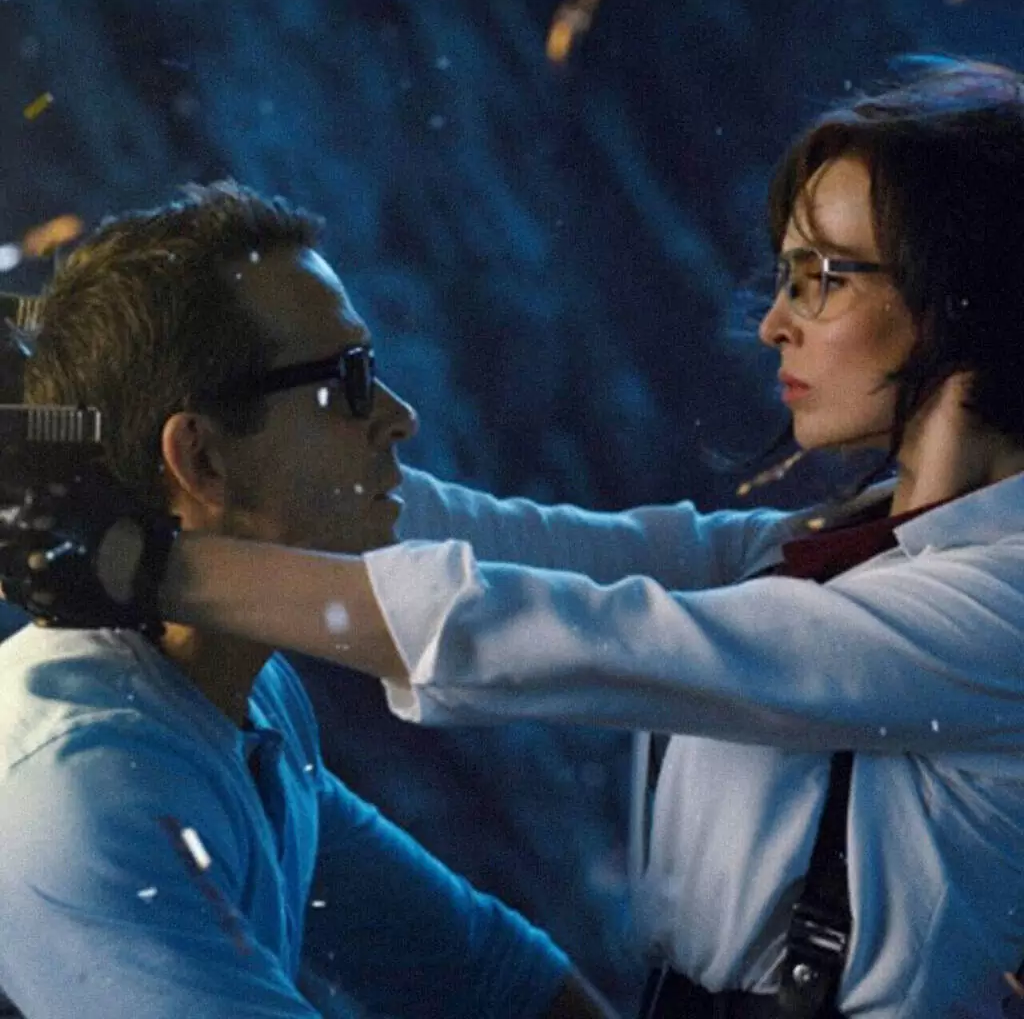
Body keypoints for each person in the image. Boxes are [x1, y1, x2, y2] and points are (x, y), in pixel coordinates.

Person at [8, 55, 1024, 1018]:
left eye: (821, 276)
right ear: (199, 456)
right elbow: (523, 549)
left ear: (959, 301)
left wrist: (138, 557)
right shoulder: (833, 549)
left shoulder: (996, 604)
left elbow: (550, 632)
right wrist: (136, 493)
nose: (775, 321)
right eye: (350, 384)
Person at [0, 183, 618, 1019]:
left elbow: (483, 971)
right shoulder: (87, 792)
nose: (400, 417)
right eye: (349, 381)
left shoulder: (248, 698)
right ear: (202, 461)